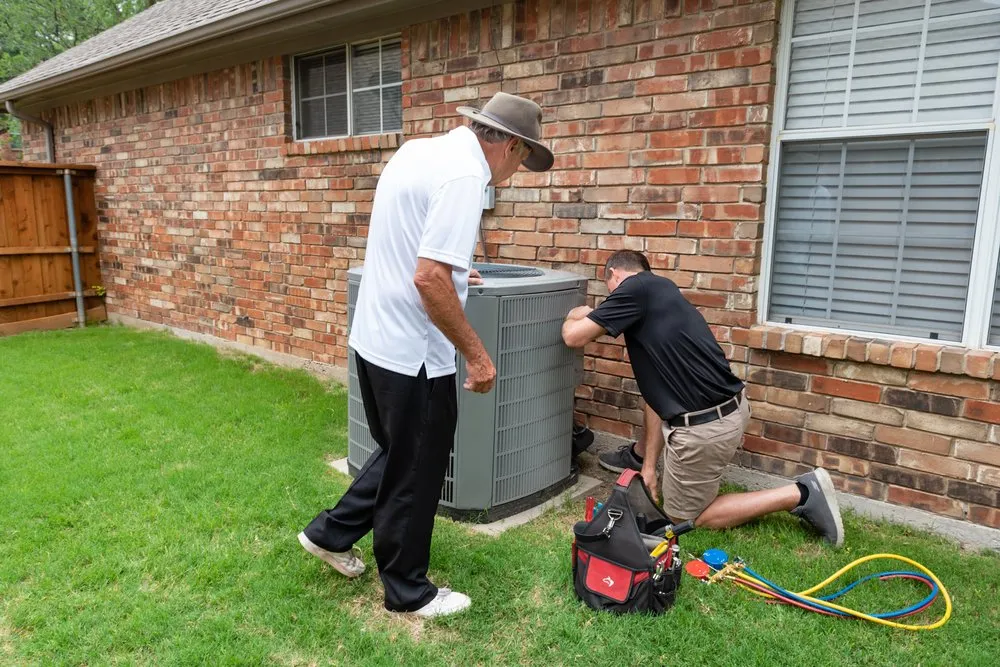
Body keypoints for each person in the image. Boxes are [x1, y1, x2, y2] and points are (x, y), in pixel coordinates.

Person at [298, 93, 555, 616]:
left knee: (401, 454)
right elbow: (428, 276)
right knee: (418, 468)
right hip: (415, 353)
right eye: (523, 159)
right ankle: (407, 590)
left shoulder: (419, 151)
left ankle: (330, 534)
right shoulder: (465, 178)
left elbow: (419, 251)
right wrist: (478, 357)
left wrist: (458, 271)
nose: (516, 171)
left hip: (374, 339)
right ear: (510, 145)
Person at [561, 250, 844, 546]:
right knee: (660, 428)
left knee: (685, 518)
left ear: (614, 275)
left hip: (704, 429)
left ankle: (803, 493)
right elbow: (655, 398)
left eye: (611, 292)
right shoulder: (662, 291)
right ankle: (640, 454)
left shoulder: (633, 288)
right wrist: (648, 466)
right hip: (728, 409)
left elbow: (574, 337)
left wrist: (572, 314)